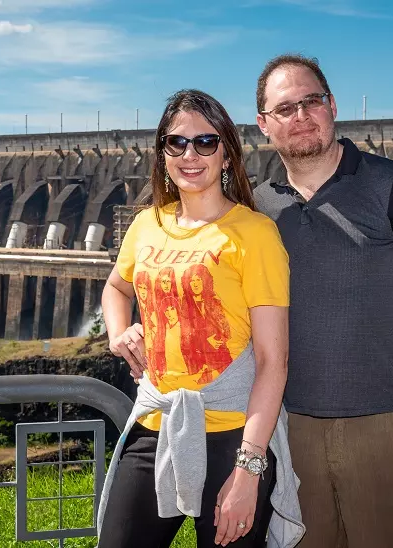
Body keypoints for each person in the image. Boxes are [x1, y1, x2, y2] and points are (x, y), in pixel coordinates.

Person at [252, 54, 393, 548]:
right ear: (264, 124)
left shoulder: (389, 183)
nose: (301, 116)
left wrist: (384, 359)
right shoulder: (260, 206)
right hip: (289, 427)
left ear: (332, 106)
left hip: (380, 425)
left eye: (311, 101)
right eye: (285, 108)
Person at [97, 89, 304, 548]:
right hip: (156, 426)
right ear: (162, 154)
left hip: (233, 436)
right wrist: (119, 332)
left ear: (226, 154)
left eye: (206, 142)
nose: (190, 155)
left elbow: (274, 362)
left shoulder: (255, 234)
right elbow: (116, 287)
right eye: (176, 143)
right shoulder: (147, 224)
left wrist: (248, 470)